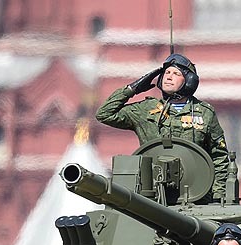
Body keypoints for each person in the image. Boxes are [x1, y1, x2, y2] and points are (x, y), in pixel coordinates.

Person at [96, 53, 229, 200]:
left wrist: (218, 194)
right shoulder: (146, 109)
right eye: (166, 72)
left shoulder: (204, 113)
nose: (169, 77)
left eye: (176, 73)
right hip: (151, 193)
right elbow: (104, 114)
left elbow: (219, 157)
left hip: (194, 194)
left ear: (189, 81)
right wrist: (132, 89)